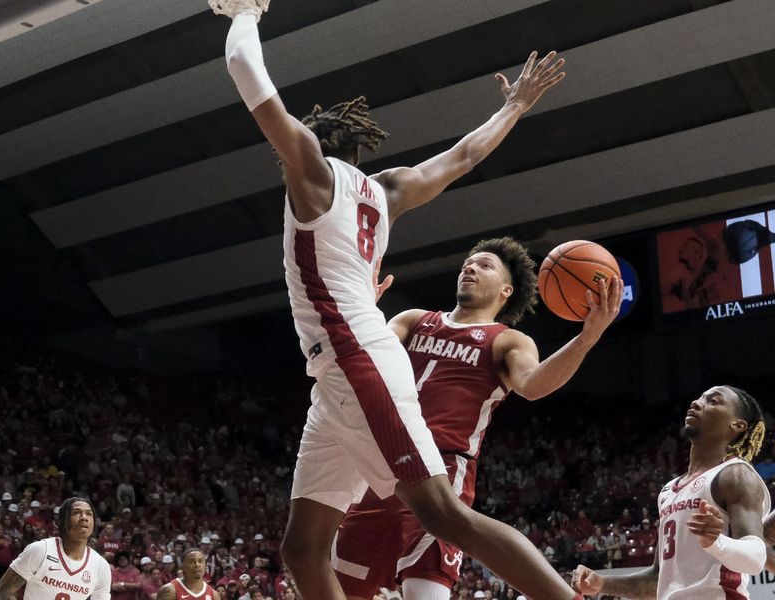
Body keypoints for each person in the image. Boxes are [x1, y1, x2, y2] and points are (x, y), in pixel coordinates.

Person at [209, 1, 577, 599]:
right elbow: (463, 157)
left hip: (355, 355)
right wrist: (512, 107)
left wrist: (244, 13)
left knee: (442, 514)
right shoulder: (385, 191)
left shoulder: (310, 175)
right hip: (338, 370)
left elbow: (245, 69)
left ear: (311, 145)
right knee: (303, 549)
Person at [332, 236, 622, 599]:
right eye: (469, 263)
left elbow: (532, 385)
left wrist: (587, 337)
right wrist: (362, 317)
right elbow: (364, 365)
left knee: (425, 591)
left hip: (439, 469)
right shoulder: (413, 320)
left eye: (485, 265)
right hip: (378, 468)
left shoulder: (508, 341)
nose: (470, 268)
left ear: (506, 290)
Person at [573, 385, 769, 599]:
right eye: (700, 398)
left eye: (713, 401)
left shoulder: (736, 475)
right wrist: (601, 582)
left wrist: (715, 542)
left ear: (737, 425)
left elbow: (755, 560)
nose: (696, 403)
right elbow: (657, 580)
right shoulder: (669, 490)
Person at [0, 496, 111, 600]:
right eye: (76, 513)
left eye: (89, 514)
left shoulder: (101, 566)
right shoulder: (40, 550)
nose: (84, 517)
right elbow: (0, 594)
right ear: (61, 521)